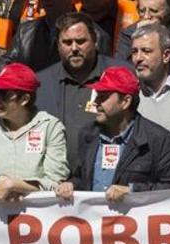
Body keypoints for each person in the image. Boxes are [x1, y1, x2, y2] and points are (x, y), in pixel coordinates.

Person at [54, 66, 170, 199]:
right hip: (95, 219)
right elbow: (81, 178)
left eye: (103, 96)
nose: (95, 102)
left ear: (125, 102)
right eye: (97, 95)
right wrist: (71, 184)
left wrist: (133, 191)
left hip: (133, 219)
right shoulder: (88, 134)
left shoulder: (158, 139)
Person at [0, 63, 69, 199]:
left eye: (5, 94)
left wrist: (15, 185)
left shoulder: (50, 127)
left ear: (25, 99)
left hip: (35, 216)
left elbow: (55, 183)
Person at [36, 12, 123, 163]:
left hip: (106, 178)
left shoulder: (120, 75)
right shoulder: (40, 84)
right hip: (56, 179)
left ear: (95, 41)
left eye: (81, 41)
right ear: (58, 44)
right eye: (67, 43)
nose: (74, 48)